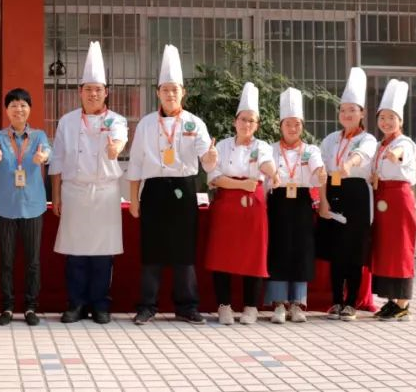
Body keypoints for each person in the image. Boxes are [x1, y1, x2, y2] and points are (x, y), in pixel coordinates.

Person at [126, 45, 213, 326]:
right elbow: (136, 163)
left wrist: (211, 157)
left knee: (184, 251)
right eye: (165, 90)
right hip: (153, 190)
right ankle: (147, 306)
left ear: (183, 92)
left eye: (175, 90)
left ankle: (187, 306)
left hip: (183, 189)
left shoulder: (194, 123)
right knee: (151, 251)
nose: (170, 94)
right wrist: (134, 199)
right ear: (158, 93)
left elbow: (207, 158)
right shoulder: (146, 124)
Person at [49, 41, 128, 325]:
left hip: (105, 193)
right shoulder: (67, 122)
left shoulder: (117, 120)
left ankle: (100, 304)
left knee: (103, 254)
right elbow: (57, 160)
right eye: (88, 89)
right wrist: (56, 195)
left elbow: (119, 140)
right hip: (74, 192)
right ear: (80, 92)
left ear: (106, 92)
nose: (93, 94)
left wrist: (114, 148)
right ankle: (76, 303)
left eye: (98, 89)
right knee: (75, 254)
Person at [205, 82, 278, 325]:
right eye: (243, 119)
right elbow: (215, 177)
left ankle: (251, 306)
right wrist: (243, 184)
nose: (247, 124)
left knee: (253, 256)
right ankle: (224, 305)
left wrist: (273, 173)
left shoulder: (262, 146)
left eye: (251, 121)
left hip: (252, 207)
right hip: (226, 204)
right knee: (222, 255)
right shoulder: (222, 146)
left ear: (257, 125)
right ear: (235, 121)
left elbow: (266, 164)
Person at [0, 88, 50, 326]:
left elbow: (48, 152)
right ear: (6, 110)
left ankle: (31, 307)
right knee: (6, 261)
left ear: (29, 109)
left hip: (33, 206)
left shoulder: (39, 136)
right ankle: (8, 307)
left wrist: (43, 158)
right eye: (13, 105)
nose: (18, 109)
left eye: (23, 105)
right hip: (5, 207)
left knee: (33, 261)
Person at [318, 67, 378, 322]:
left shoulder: (368, 139)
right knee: (336, 250)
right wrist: (323, 200)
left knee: (354, 250)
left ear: (362, 113)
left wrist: (349, 163)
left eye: (352, 110)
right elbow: (321, 171)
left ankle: (351, 302)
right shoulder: (330, 139)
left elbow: (360, 157)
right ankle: (336, 301)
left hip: (356, 195)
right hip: (333, 190)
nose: (347, 114)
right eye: (343, 110)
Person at [265, 87, 326, 324]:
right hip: (278, 202)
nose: (293, 128)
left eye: (297, 124)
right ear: (280, 126)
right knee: (278, 249)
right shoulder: (270, 149)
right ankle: (279, 304)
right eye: (288, 124)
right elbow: (264, 173)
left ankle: (298, 304)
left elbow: (317, 167)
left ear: (303, 126)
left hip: (301, 202)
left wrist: (320, 173)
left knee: (302, 250)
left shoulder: (310, 150)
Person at [370, 79, 416, 322]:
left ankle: (403, 303)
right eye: (382, 117)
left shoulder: (403, 143)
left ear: (400, 120)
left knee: (400, 249)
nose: (386, 122)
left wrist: (395, 155)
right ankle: (391, 300)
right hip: (382, 197)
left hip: (398, 199)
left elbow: (401, 156)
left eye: (391, 117)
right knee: (385, 250)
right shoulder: (380, 145)